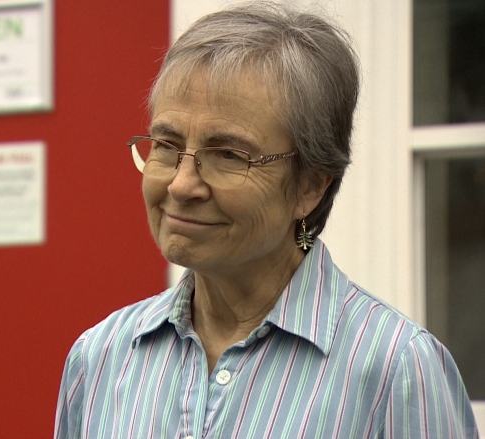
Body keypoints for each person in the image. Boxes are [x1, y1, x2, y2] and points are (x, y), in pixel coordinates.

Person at [54, 2, 479, 438]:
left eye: (227, 155)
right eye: (165, 145)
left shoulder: (395, 370)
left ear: (310, 186)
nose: (181, 185)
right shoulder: (101, 359)